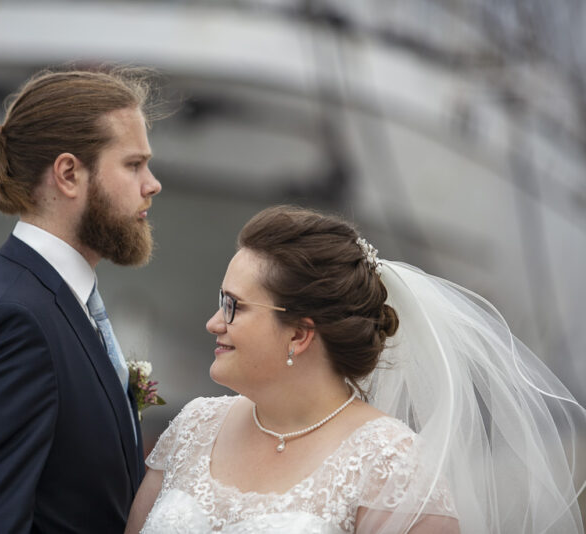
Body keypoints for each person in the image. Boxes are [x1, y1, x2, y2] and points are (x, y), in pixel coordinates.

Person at [126, 205, 586, 533]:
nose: (214, 322)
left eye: (234, 306)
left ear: (299, 334)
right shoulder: (195, 426)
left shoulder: (390, 465)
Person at [0, 67, 162, 533]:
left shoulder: (49, 301)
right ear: (69, 174)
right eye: (134, 165)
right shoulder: (10, 322)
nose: (151, 184)